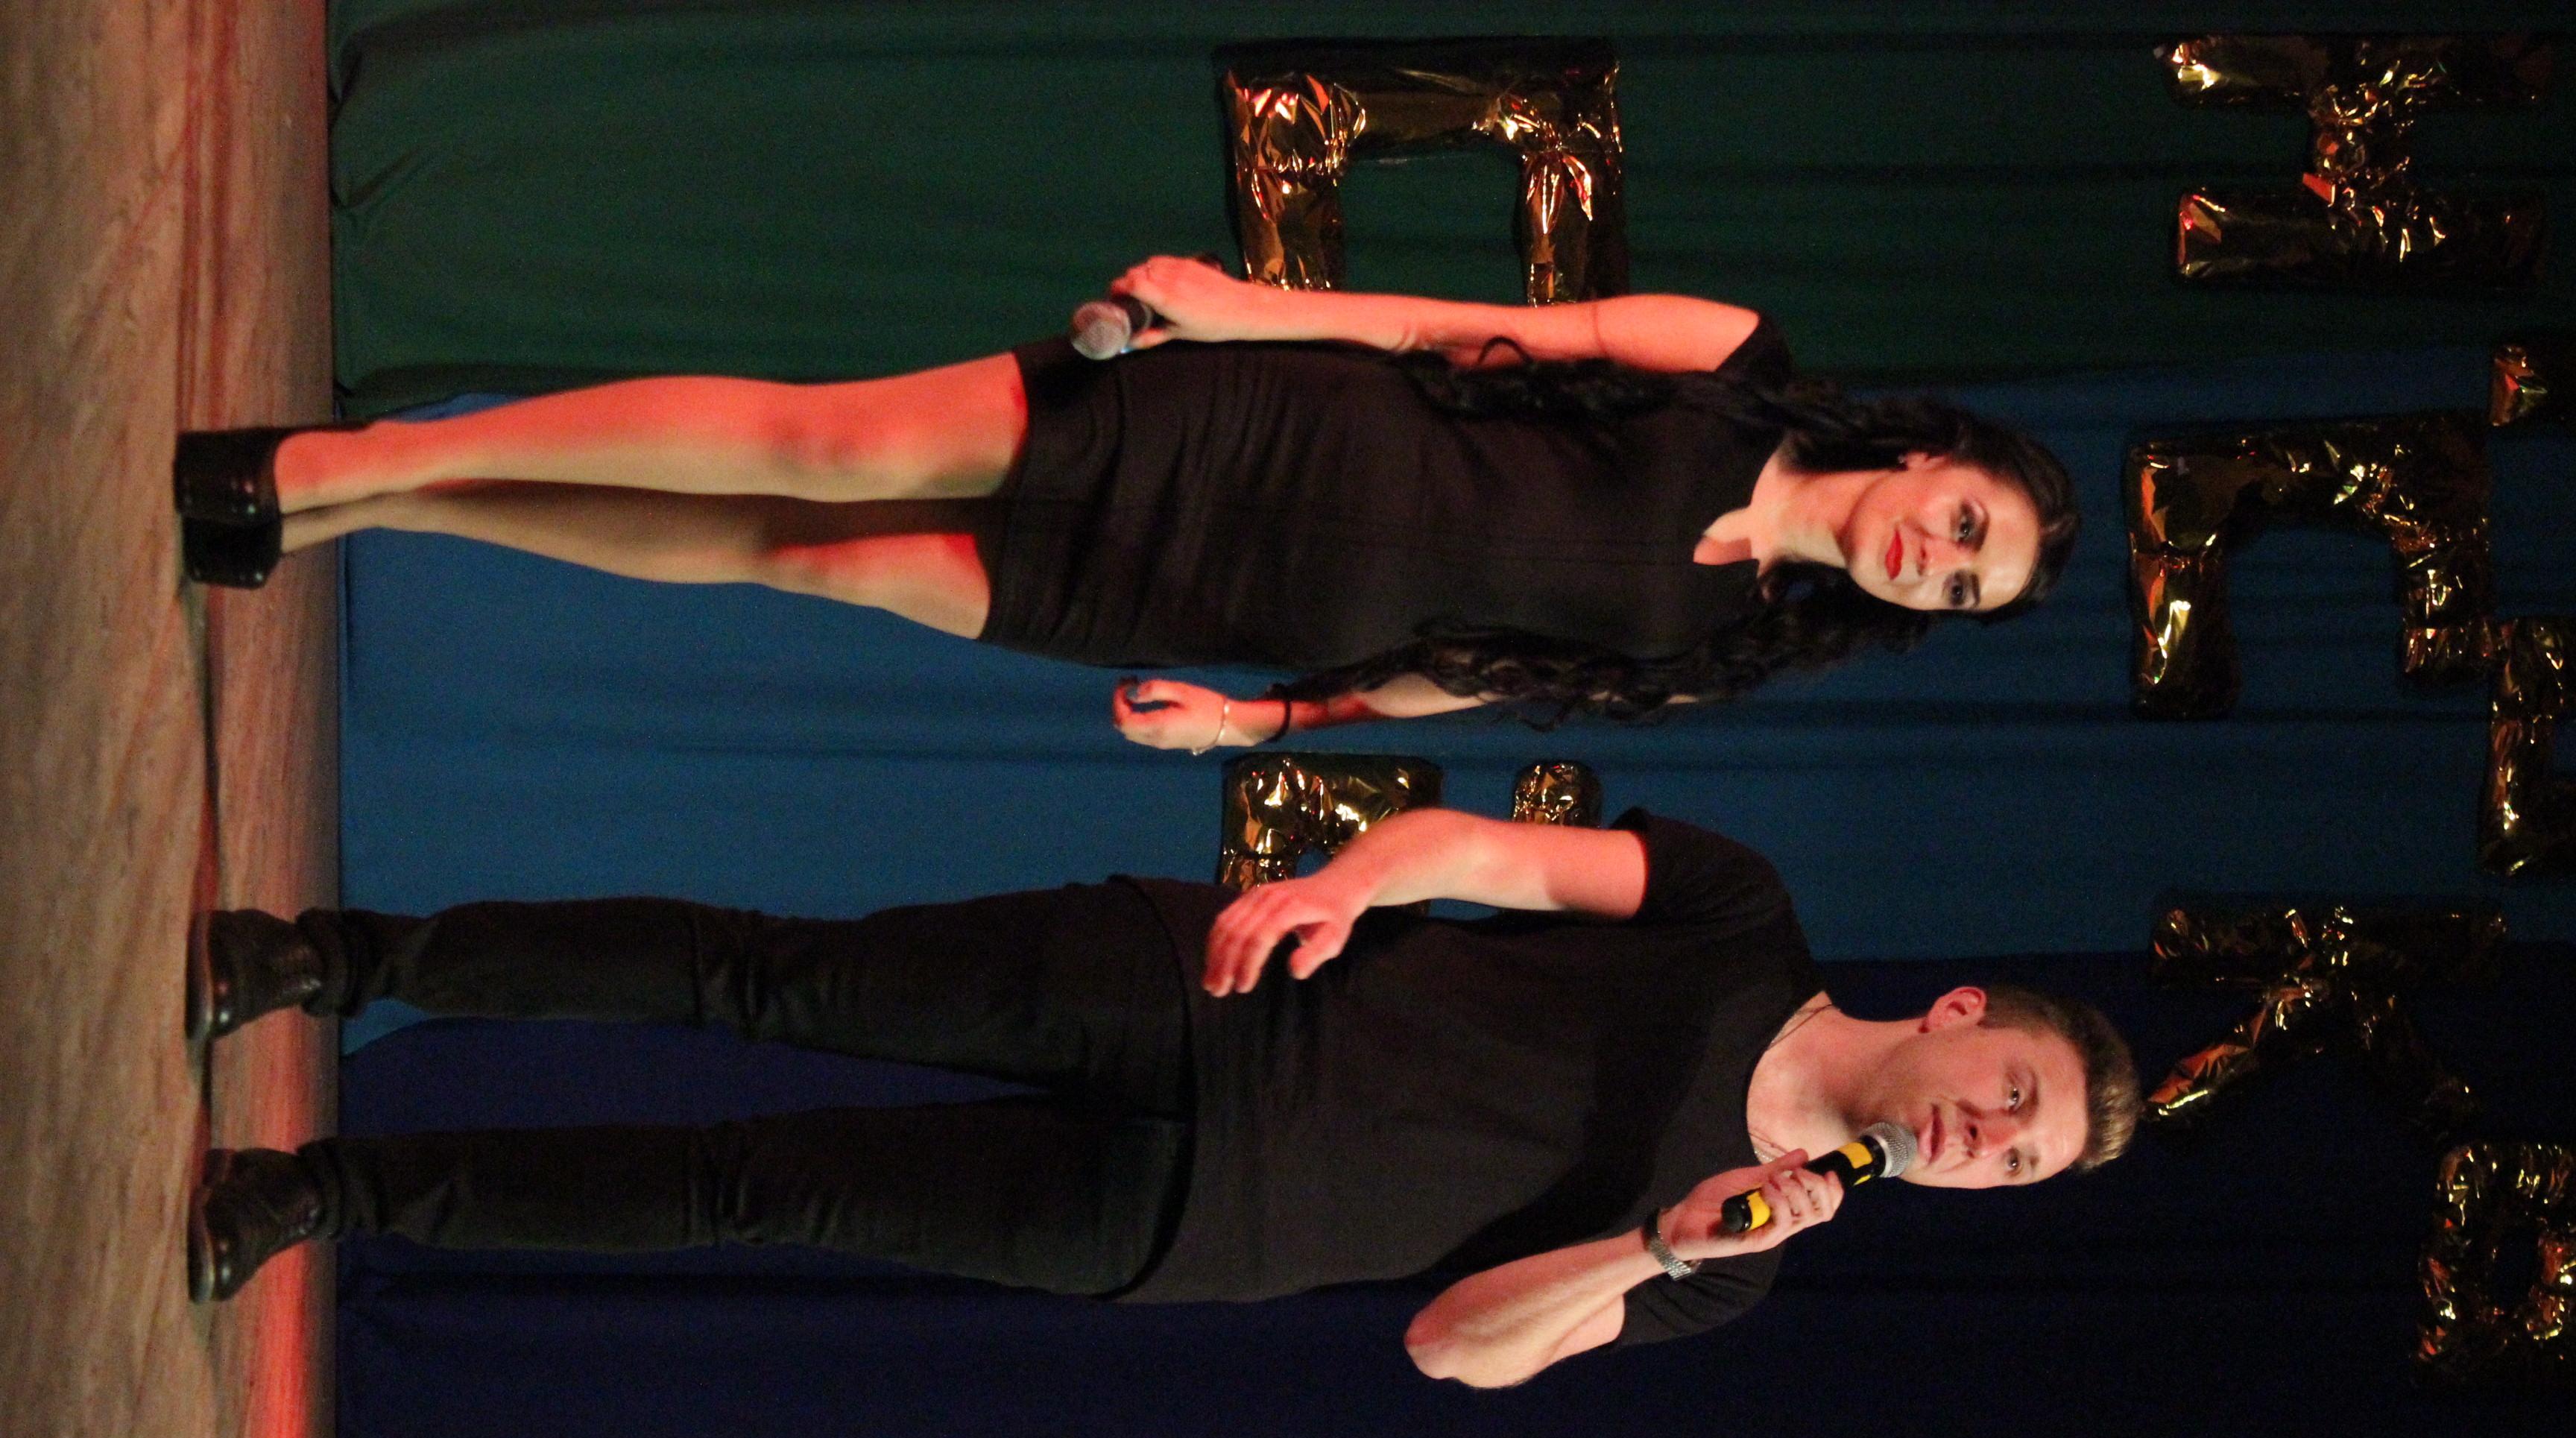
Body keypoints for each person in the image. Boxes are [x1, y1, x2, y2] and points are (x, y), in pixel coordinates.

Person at [187, 806, 2138, 1384]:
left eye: (2019, 1164)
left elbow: (1454, 1350)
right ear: (1965, 1014)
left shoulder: (1739, 1266)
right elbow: (1494, 856)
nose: (1989, 1140)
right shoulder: (1743, 920)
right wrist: (1342, 885)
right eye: (2014, 1094)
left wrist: (1654, 1245)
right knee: (766, 976)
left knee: (749, 1186)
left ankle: (325, 1193)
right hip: (1204, 991)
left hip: (1190, 1225)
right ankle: (340, 958)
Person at [172, 256, 2080, 751]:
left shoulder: (1732, 645)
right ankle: (330, 467)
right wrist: (1244, 311)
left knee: (799, 556)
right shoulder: (1739, 361)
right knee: (823, 447)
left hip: (1233, 605)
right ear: (1941, 459)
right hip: (1259, 436)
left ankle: (381, 516)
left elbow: (1481, 675)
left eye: (1962, 592)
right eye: (1969, 530)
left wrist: (1270, 721)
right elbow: (1479, 333)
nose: (1937, 561)